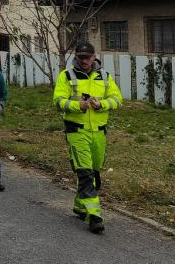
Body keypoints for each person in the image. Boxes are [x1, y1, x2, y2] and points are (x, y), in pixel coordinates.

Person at [52, 40, 123, 234]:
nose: (84, 61)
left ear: (94, 57)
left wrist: (102, 105)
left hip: (99, 132)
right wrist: (78, 106)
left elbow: (117, 99)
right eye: (81, 57)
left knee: (94, 175)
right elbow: (58, 101)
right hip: (77, 130)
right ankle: (95, 216)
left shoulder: (105, 77)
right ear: (76, 57)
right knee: (84, 173)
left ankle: (80, 206)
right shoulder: (66, 76)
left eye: (87, 57)